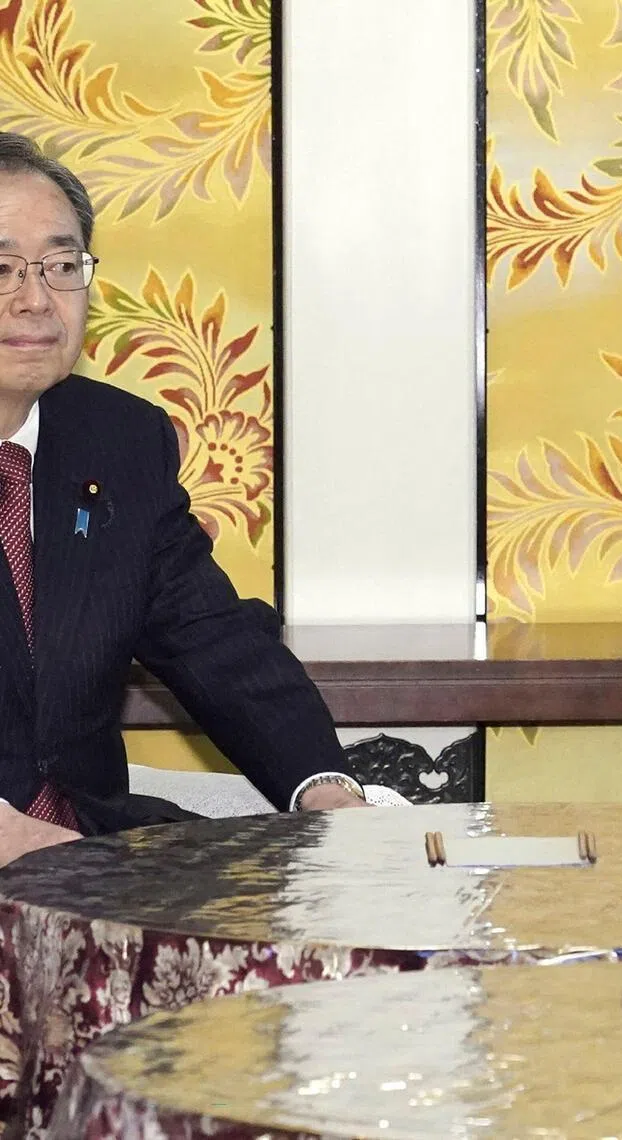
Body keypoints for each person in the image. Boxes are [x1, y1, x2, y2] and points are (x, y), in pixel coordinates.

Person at [0, 132, 382, 866]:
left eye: (60, 265)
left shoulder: (119, 439)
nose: (36, 299)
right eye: (3, 267)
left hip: (89, 848)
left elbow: (213, 639)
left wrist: (326, 790)